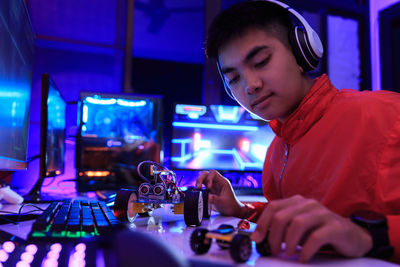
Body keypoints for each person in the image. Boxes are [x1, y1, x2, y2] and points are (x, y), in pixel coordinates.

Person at [196, 0, 400, 263]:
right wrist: (240, 210)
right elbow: (296, 223)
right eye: (234, 79)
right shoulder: (275, 153)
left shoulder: (386, 115)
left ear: (302, 50)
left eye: (261, 61)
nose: (250, 86)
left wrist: (369, 238)